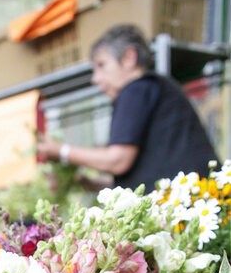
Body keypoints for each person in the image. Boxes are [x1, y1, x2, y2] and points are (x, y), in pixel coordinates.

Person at [36, 24, 218, 192]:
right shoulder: (155, 89)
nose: (95, 79)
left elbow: (118, 160)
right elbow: (142, 177)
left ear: (129, 58)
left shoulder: (136, 89)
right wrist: (88, 183)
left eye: (101, 65)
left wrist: (61, 151)